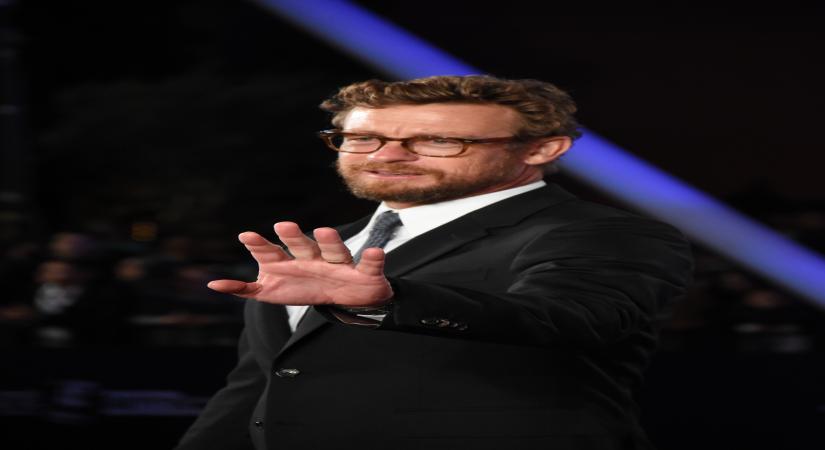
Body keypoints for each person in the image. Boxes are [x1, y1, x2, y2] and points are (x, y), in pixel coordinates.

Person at [175, 75, 693, 450]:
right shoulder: (317, 248)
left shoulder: (601, 231)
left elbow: (574, 318)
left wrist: (389, 301)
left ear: (541, 149)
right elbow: (259, 384)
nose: (387, 154)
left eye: (438, 140)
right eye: (362, 138)